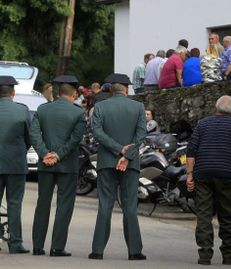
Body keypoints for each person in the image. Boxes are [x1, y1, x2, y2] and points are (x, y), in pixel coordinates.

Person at [186, 95, 231, 265]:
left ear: (215, 109)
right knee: (227, 214)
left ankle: (205, 255)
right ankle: (229, 255)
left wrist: (190, 175)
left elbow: (191, 150)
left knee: (204, 214)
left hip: (203, 173)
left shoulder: (202, 124)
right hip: (226, 174)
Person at [88, 73, 147, 261]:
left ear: (111, 90)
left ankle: (97, 250)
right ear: (127, 89)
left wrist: (118, 150)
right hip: (130, 163)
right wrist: (127, 154)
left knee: (105, 205)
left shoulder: (100, 106)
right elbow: (141, 135)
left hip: (106, 161)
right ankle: (134, 251)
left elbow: (97, 132)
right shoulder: (138, 107)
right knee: (130, 206)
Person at [30, 75, 86, 257]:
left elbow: (34, 133)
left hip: (45, 163)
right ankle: (57, 247)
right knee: (64, 205)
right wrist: (59, 155)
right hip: (67, 165)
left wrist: (44, 153)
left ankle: (38, 246)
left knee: (43, 204)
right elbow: (75, 139)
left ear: (58, 93)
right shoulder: (78, 113)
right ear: (74, 94)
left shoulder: (43, 109)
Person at [0, 75, 31, 254]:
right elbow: (29, 137)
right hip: (16, 163)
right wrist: (19, 151)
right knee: (14, 204)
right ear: (13, 93)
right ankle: (16, 243)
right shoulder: (22, 110)